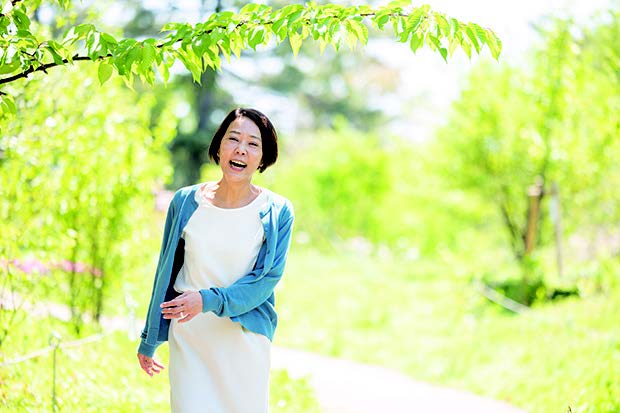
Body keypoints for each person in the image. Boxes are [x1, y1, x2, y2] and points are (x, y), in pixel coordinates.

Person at [136, 107, 295, 413]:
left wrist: (207, 300)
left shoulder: (277, 211)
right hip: (190, 337)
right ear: (219, 146)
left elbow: (265, 281)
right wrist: (150, 336)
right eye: (233, 138)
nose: (241, 149)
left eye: (253, 144)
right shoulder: (185, 201)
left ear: (263, 157)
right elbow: (165, 271)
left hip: (243, 340)